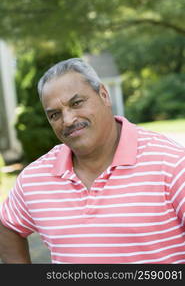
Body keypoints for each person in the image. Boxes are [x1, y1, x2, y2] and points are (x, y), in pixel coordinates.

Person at [0, 58, 185, 264]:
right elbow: (7, 226)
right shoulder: (35, 178)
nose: (68, 120)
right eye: (54, 114)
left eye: (76, 103)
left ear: (104, 95)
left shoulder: (172, 164)